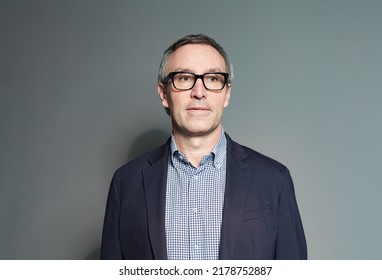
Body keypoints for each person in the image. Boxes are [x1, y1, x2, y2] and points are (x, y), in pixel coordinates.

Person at [101, 34, 307, 260]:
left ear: (226, 94)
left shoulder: (274, 180)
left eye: (212, 78)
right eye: (184, 78)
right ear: (164, 94)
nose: (199, 92)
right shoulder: (126, 183)